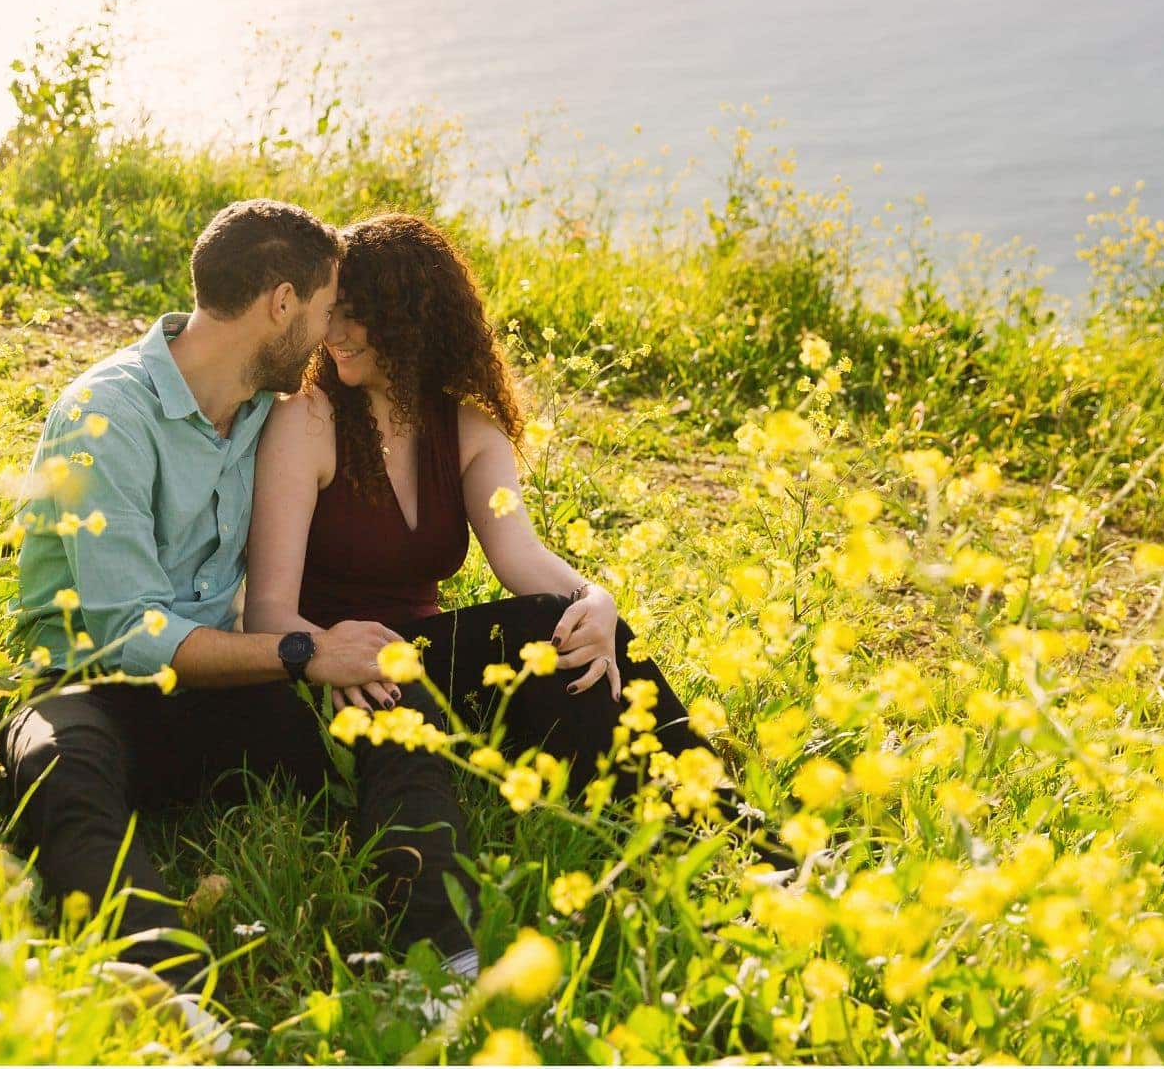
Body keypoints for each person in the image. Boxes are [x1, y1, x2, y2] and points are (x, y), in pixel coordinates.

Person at [0, 200, 483, 1032]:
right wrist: (302, 650)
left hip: (216, 694)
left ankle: (444, 961)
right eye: (330, 310)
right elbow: (124, 637)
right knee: (57, 765)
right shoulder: (105, 416)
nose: (335, 336)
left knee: (393, 699)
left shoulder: (266, 407)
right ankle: (169, 991)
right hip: (93, 690)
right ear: (282, 304)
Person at [245, 212, 784, 845]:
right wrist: (331, 653)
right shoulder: (307, 421)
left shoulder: (469, 428)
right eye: (329, 311)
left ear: (411, 319)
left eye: (354, 313)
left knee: (569, 626)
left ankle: (706, 815)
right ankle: (686, 825)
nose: (333, 334)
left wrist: (596, 599)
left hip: (428, 666)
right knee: (542, 625)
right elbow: (268, 613)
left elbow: (518, 555)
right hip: (336, 680)